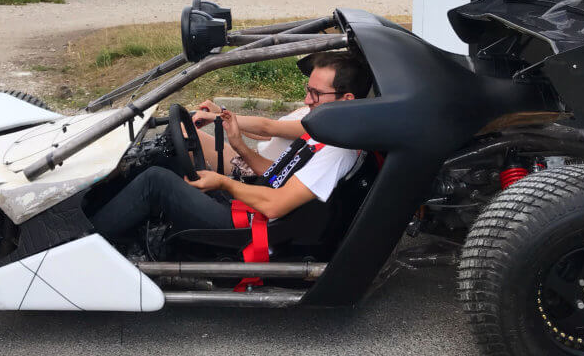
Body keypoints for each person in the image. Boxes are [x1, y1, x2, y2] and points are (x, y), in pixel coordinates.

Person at [89, 51, 372, 239]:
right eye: (307, 90)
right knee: (169, 157)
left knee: (156, 182)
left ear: (346, 100)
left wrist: (224, 184)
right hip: (247, 204)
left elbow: (275, 206)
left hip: (251, 223)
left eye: (315, 93)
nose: (307, 100)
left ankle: (88, 241)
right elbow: (275, 176)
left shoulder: (337, 150)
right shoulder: (323, 131)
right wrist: (239, 145)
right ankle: (92, 211)